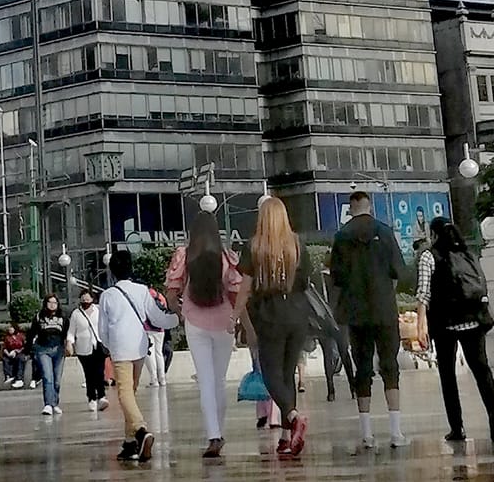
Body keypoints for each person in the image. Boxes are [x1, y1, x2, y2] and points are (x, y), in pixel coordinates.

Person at [328, 190, 407, 452]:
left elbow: (336, 277)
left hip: (356, 312)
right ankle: (395, 432)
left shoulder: (341, 237)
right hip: (384, 310)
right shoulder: (384, 232)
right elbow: (399, 270)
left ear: (351, 209)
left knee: (362, 369)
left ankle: (367, 434)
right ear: (369, 207)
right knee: (389, 366)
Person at [415, 217, 494, 446]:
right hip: (473, 321)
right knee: (482, 370)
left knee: (447, 375)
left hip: (444, 324)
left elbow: (423, 294)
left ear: (433, 235)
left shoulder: (429, 256)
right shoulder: (468, 254)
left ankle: (457, 427)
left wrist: (420, 324)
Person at [238, 196, 313, 458]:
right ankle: (285, 436)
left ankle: (293, 418)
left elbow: (245, 289)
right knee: (288, 373)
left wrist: (237, 317)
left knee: (270, 374)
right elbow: (305, 281)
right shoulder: (297, 245)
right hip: (297, 314)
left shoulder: (254, 247)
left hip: (269, 315)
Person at [166, 208, 242, 458]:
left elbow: (171, 291)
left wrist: (179, 312)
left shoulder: (184, 255)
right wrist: (237, 319)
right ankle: (219, 430)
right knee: (219, 381)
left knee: (206, 381)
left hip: (195, 322)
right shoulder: (227, 257)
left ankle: (213, 435)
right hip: (224, 322)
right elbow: (235, 290)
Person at [97, 246, 178, 463]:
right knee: (129, 393)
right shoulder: (142, 290)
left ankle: (141, 430)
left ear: (112, 271)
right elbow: (157, 318)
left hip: (120, 348)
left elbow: (102, 330)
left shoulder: (107, 295)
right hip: (140, 346)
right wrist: (177, 318)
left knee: (124, 394)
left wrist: (108, 346)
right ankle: (129, 442)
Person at [66, 288, 106, 410]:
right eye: (83, 300)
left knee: (99, 372)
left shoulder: (98, 311)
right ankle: (91, 398)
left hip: (98, 345)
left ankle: (102, 396)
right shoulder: (76, 314)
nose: (85, 301)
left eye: (88, 299)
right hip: (83, 348)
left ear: (92, 299)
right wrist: (69, 343)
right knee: (89, 374)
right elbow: (71, 331)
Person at [29, 293, 68, 415]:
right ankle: (48, 404)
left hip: (58, 350)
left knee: (57, 380)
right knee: (47, 377)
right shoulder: (39, 317)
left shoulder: (63, 318)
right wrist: (30, 349)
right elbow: (31, 333)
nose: (52, 305)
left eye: (54, 302)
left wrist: (69, 345)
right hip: (43, 349)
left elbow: (67, 334)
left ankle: (55, 402)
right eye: (49, 302)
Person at [0, 322, 29, 389]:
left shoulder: (21, 336)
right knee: (5, 359)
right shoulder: (7, 337)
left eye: (11, 328)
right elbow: (4, 348)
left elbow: (25, 346)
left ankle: (19, 379)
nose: (9, 329)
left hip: (20, 352)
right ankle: (8, 376)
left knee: (20, 358)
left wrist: (16, 351)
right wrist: (8, 354)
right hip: (10, 353)